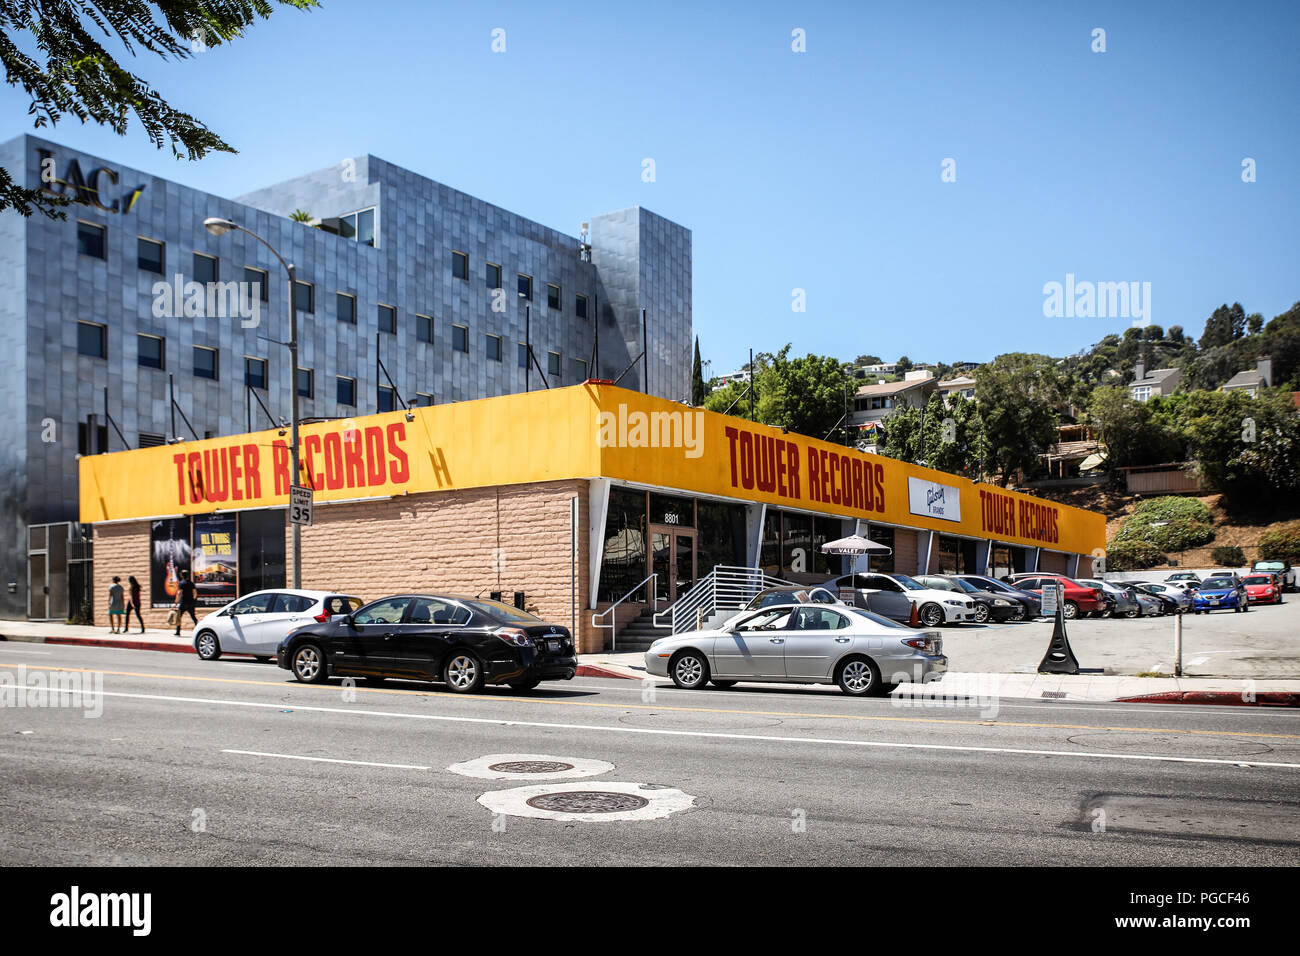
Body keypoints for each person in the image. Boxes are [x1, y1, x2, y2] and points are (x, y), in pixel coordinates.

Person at [174, 569, 198, 636]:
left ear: (182, 576)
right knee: (193, 617)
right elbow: (195, 593)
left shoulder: (181, 583)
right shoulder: (191, 583)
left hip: (183, 602)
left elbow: (179, 593)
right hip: (190, 602)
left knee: (179, 617)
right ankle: (199, 629)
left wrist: (176, 602)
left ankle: (178, 632)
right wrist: (193, 600)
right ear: (188, 575)